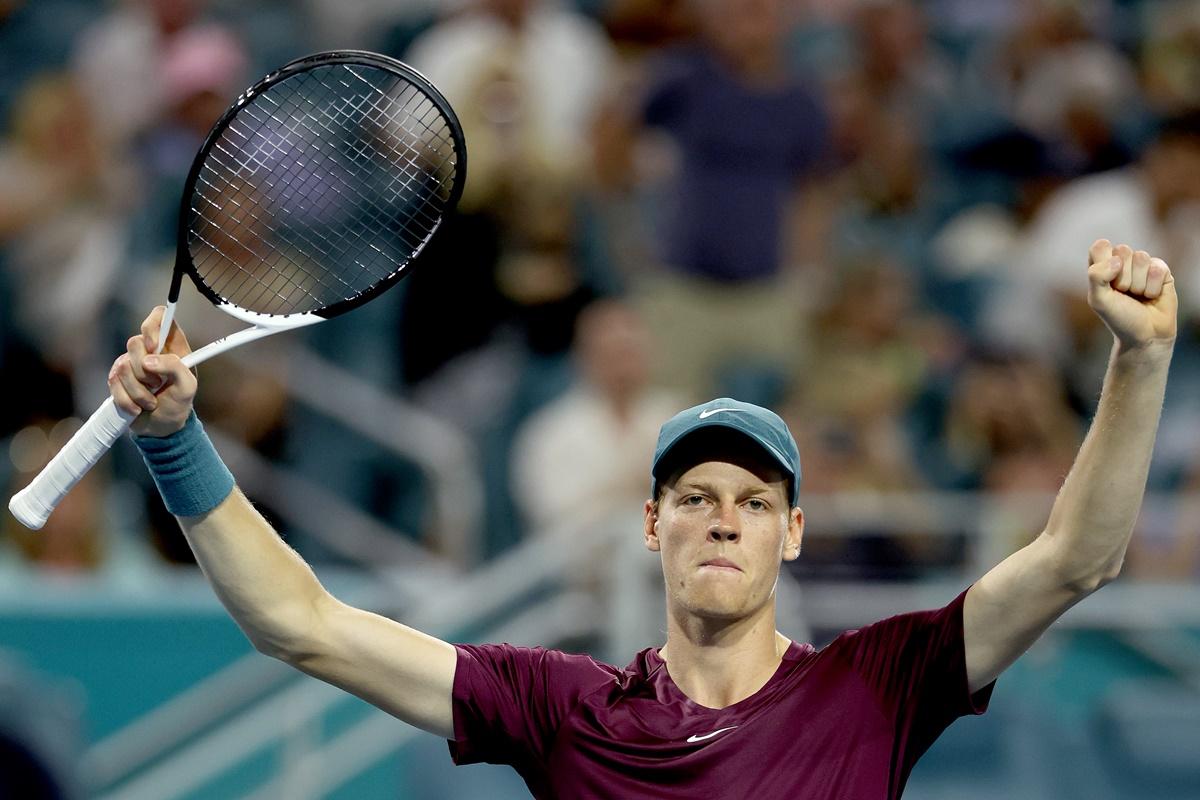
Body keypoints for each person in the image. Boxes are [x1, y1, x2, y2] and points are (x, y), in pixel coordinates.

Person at [106, 239, 1176, 798]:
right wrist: (174, 441)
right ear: (653, 524)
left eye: (755, 502)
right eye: (698, 498)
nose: (724, 519)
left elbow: (1077, 560)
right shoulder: (561, 705)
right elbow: (301, 621)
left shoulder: (875, 685)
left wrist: (1141, 358)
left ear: (792, 533)